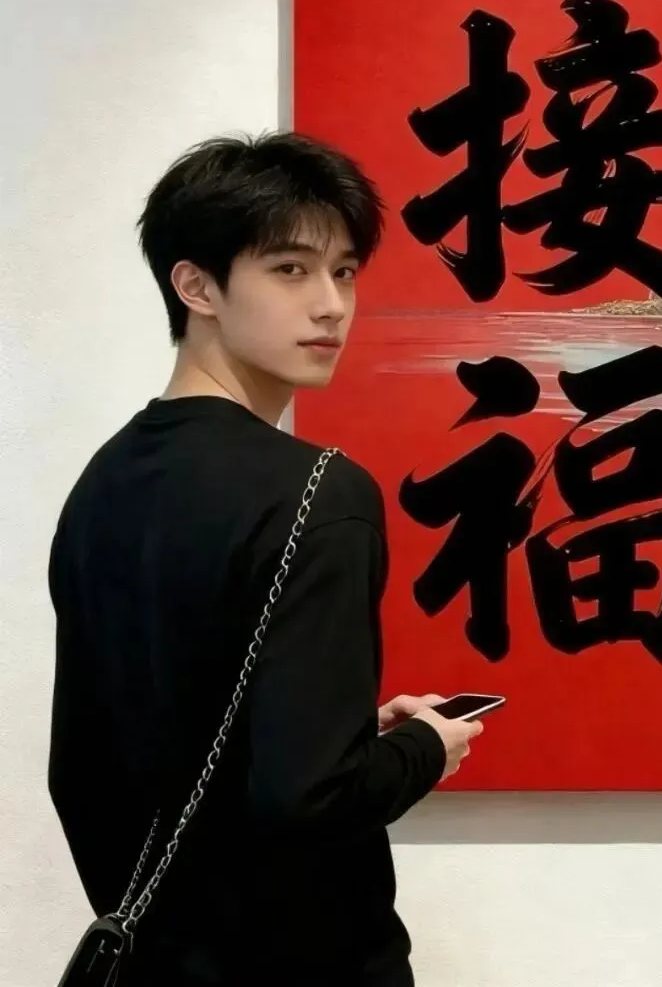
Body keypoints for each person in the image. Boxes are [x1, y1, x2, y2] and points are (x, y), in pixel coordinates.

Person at [46, 132, 483, 986]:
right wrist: (425, 747)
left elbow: (88, 770)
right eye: (290, 270)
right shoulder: (320, 492)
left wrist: (343, 735)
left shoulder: (104, 480)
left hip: (151, 965)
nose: (331, 305)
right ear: (196, 286)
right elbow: (309, 798)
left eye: (344, 272)